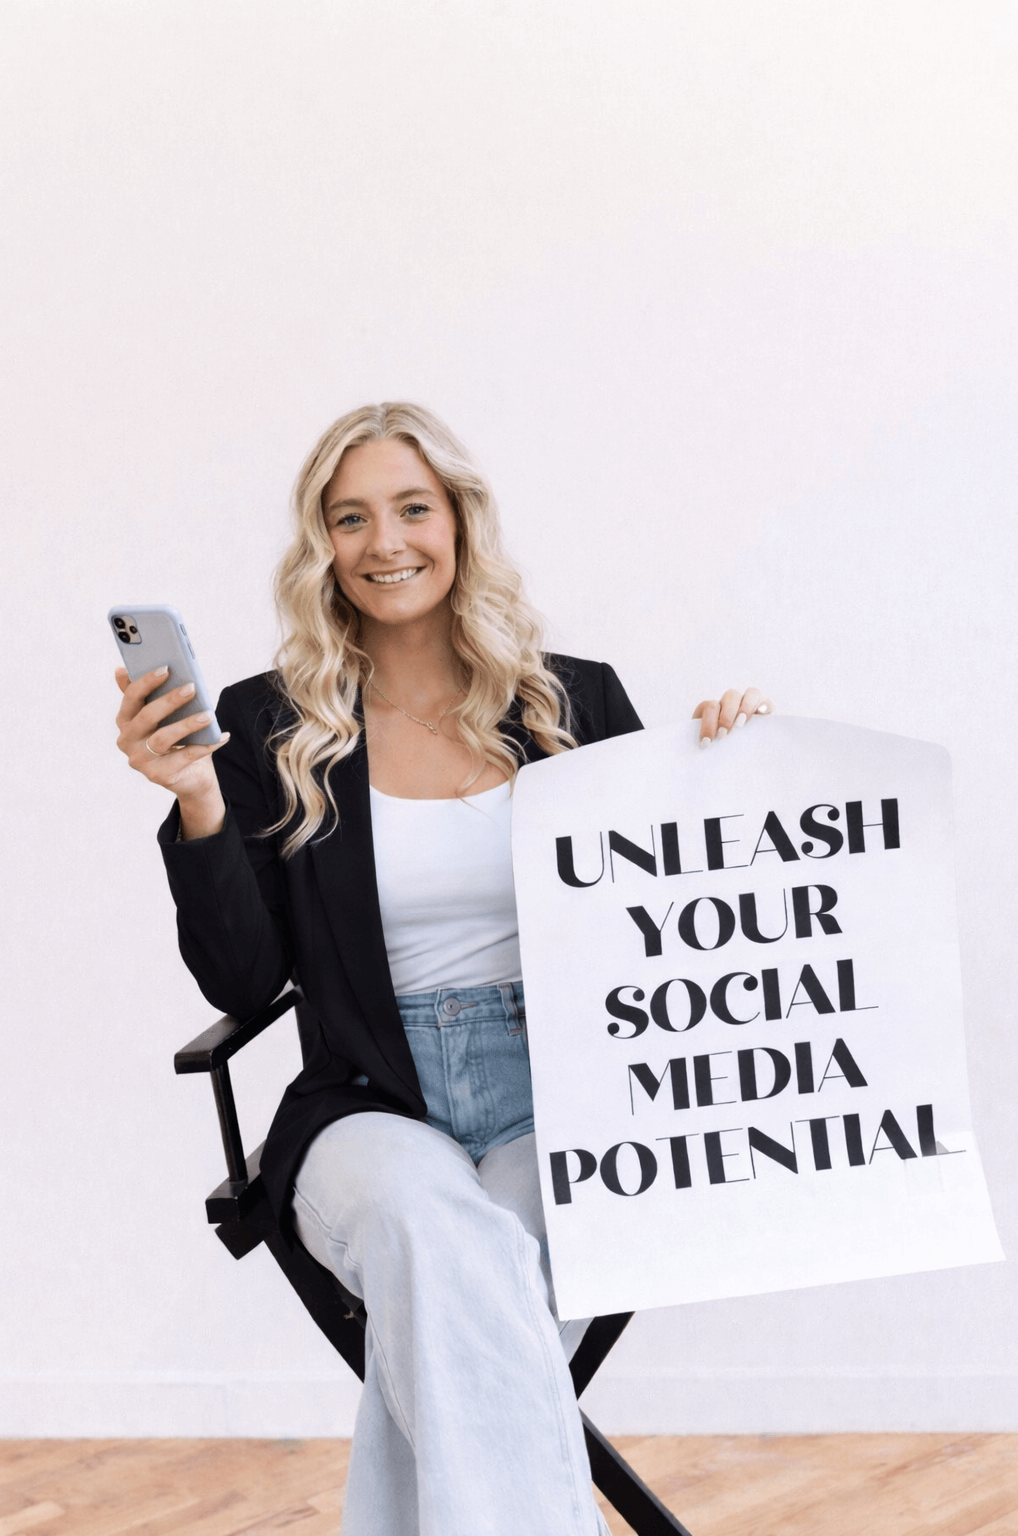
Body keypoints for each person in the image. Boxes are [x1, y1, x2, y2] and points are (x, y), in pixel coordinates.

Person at [114, 402, 772, 1536]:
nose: (385, 542)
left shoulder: (574, 701)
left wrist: (729, 770)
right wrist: (200, 803)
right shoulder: (269, 722)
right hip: (368, 1101)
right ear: (322, 546)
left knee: (465, 1294)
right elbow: (238, 981)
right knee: (441, 1238)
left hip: (560, 1104)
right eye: (350, 518)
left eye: (412, 508)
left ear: (460, 521)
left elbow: (673, 914)